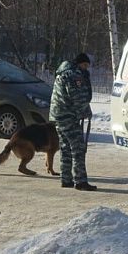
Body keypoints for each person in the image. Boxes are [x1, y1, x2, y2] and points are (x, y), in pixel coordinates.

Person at [49, 53, 96, 191]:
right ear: (79, 63)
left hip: (58, 115)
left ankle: (66, 178)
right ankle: (80, 181)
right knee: (78, 148)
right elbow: (78, 97)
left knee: (65, 147)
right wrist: (86, 111)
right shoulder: (74, 75)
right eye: (85, 65)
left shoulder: (62, 73)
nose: (86, 69)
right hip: (68, 116)